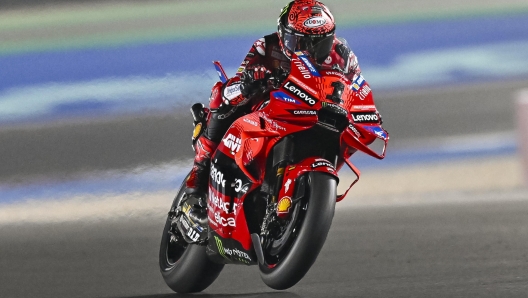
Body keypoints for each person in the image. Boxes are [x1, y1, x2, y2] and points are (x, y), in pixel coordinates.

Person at [179, 0, 363, 243]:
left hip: (317, 114)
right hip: (271, 108)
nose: (307, 49)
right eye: (300, 41)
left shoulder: (343, 56)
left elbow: (358, 89)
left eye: (318, 43)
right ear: (284, 35)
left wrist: (363, 111)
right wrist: (250, 81)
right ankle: (200, 168)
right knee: (224, 94)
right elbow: (244, 75)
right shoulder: (266, 47)